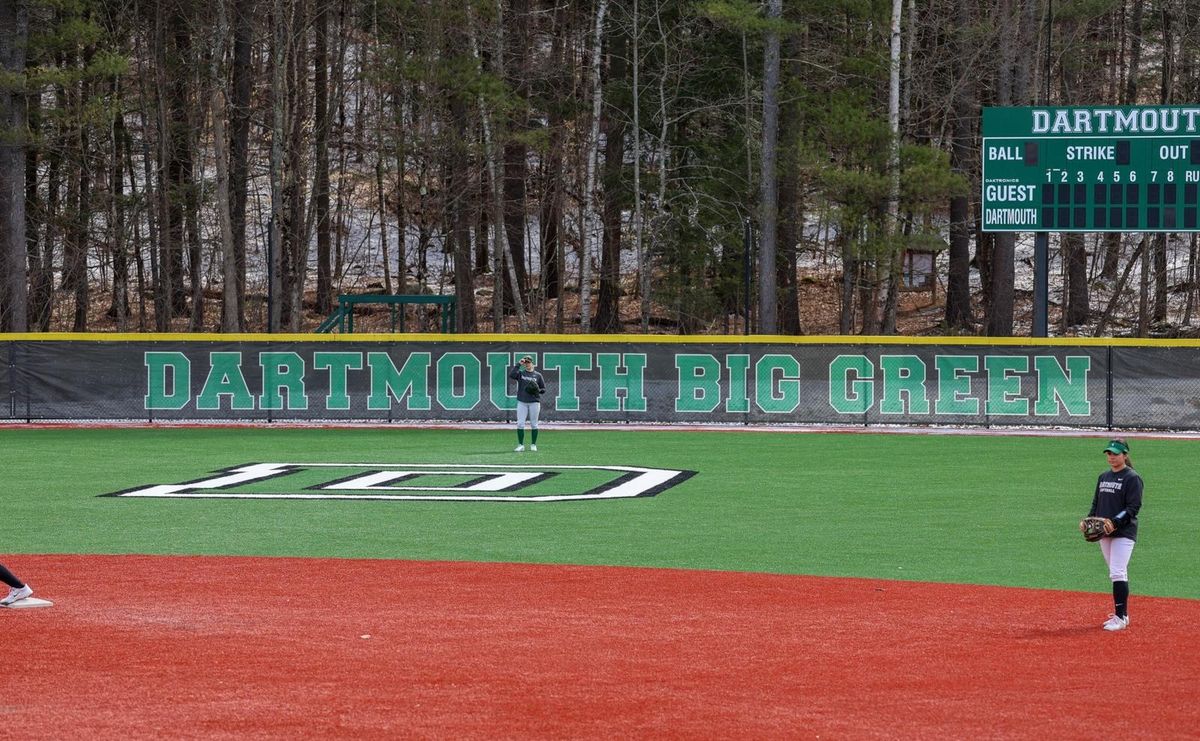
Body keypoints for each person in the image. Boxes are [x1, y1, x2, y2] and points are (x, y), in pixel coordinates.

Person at [1080, 437, 1142, 631]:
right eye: (1109, 453)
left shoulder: (1132, 478)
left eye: (1115, 454)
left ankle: (1120, 618)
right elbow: (1096, 503)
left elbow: (1133, 507)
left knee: (1117, 572)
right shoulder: (1103, 477)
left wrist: (1114, 522)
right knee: (1115, 573)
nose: (1111, 457)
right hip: (1104, 533)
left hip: (1124, 532)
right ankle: (1122, 614)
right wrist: (1088, 520)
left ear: (1125, 455)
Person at [509, 355, 546, 452]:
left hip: (534, 402)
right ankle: (520, 445)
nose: (527, 364)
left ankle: (533, 444)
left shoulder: (538, 375)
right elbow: (512, 375)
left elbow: (543, 389)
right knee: (520, 424)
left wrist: (538, 391)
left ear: (532, 363)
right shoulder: (521, 374)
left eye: (528, 362)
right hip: (522, 402)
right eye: (525, 363)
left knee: (534, 424)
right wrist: (518, 364)